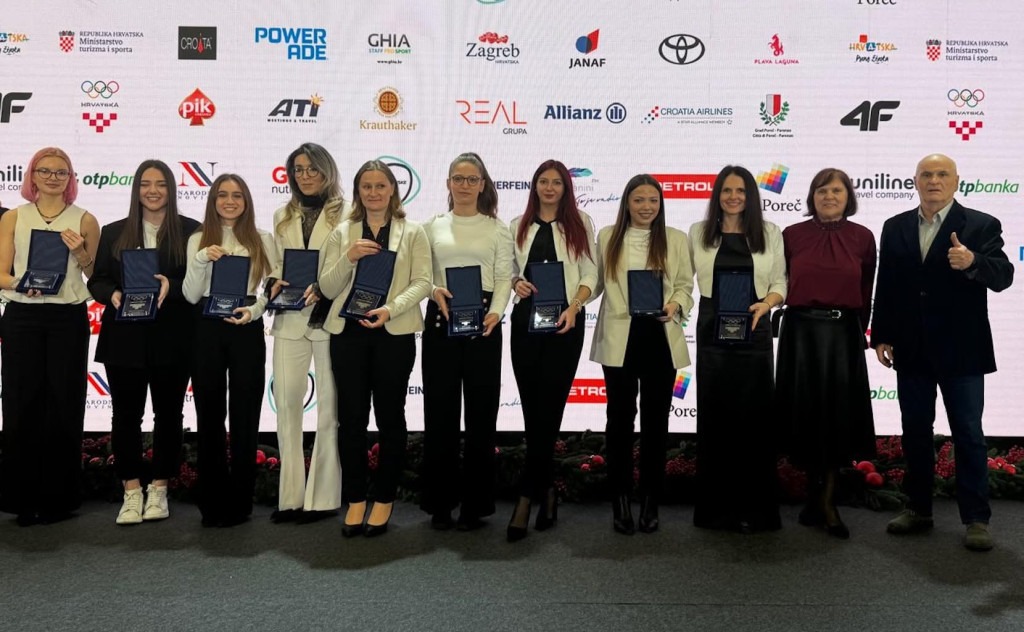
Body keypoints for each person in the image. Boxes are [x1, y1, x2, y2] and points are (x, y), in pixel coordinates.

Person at [872, 154, 1014, 552]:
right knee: (915, 432)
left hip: (962, 349)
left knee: (968, 434)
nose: (934, 180)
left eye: (942, 174)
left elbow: (1004, 275)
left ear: (956, 181)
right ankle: (918, 509)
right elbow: (887, 283)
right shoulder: (895, 226)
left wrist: (973, 261)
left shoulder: (981, 224)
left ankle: (976, 519)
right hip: (911, 347)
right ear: (915, 181)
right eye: (927, 175)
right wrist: (881, 334)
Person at [320, 160, 432, 537]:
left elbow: (423, 282)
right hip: (348, 336)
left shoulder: (412, 231)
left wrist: (391, 309)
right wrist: (348, 257)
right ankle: (355, 499)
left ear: (392, 190)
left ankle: (384, 498)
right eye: (366, 186)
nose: (373, 192)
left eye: (380, 185)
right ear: (358, 191)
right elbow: (327, 287)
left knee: (390, 418)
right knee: (351, 419)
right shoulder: (342, 233)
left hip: (393, 334)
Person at [88, 160, 200, 525]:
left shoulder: (192, 231)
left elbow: (199, 282)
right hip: (125, 339)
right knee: (125, 416)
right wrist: (112, 294)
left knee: (169, 415)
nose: (153, 191)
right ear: (136, 189)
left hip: (173, 337)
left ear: (172, 189)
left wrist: (173, 286)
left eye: (161, 184)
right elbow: (97, 280)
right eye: (146, 184)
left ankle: (160, 488)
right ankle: (132, 490)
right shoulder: (113, 231)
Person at [0, 147, 100, 526]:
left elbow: (96, 276)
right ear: (32, 176)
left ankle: (59, 499)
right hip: (22, 317)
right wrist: (22, 284)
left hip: (67, 319)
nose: (53, 178)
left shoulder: (86, 220)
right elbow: (1, 273)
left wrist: (81, 252)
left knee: (64, 404)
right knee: (21, 403)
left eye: (61, 172)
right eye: (45, 171)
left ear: (70, 178)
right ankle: (21, 499)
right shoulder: (14, 217)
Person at [776, 168, 876, 540]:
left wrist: (861, 332)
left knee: (837, 418)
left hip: (842, 336)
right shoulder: (791, 235)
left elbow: (866, 290)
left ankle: (828, 502)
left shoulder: (863, 237)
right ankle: (812, 496)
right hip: (800, 334)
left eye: (836, 190)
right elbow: (779, 282)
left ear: (848, 197)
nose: (829, 196)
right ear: (812, 196)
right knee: (805, 415)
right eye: (822, 190)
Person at [591, 174, 693, 535]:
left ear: (660, 204)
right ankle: (619, 499)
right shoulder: (607, 236)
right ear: (627, 203)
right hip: (620, 338)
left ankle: (651, 499)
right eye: (639, 200)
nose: (646, 206)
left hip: (660, 337)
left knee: (656, 423)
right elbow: (593, 282)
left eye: (653, 200)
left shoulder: (676, 238)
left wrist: (676, 303)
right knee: (619, 421)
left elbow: (685, 286)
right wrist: (563, 297)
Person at [689, 165, 786, 533]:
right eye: (727, 190)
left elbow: (780, 283)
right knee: (715, 419)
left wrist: (767, 304)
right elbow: (681, 278)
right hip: (712, 329)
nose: (733, 197)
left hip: (756, 327)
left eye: (741, 191)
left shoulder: (770, 232)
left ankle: (756, 510)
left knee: (756, 421)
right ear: (717, 195)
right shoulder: (698, 232)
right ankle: (715, 511)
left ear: (751, 196)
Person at [419, 152, 513, 531]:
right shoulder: (431, 226)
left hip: (484, 324)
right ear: (448, 183)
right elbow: (421, 275)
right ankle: (440, 504)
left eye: (472, 179)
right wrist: (432, 289)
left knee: (481, 416)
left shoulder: (498, 229)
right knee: (439, 413)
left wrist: (498, 312)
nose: (464, 185)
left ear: (482, 184)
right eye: (458, 178)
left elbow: (504, 277)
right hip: (441, 319)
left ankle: (475, 505)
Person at [505, 160, 597, 542]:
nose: (549, 187)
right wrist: (516, 283)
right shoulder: (517, 225)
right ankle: (547, 491)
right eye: (543, 181)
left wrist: (575, 307)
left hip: (565, 324)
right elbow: (507, 272)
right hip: (525, 324)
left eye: (556, 182)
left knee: (551, 409)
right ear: (534, 186)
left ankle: (526, 498)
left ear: (565, 188)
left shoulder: (581, 223)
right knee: (532, 413)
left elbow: (591, 274)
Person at [182, 174, 275, 527]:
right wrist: (201, 259)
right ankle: (212, 501)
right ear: (213, 200)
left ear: (246, 200)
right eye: (222, 195)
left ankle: (241, 500)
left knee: (245, 413)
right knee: (208, 413)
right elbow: (190, 294)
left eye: (237, 195)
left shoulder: (262, 239)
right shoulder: (198, 239)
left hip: (245, 326)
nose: (230, 201)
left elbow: (274, 287)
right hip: (206, 327)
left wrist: (255, 310)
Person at [266, 143, 346, 525]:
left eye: (312, 168)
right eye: (298, 169)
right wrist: (272, 282)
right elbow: (277, 265)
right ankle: (290, 498)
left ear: (327, 171)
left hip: (330, 320)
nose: (305, 175)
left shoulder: (348, 214)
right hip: (289, 320)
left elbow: (348, 268)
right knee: (286, 408)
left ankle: (323, 499)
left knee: (329, 412)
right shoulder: (282, 215)